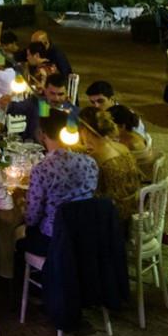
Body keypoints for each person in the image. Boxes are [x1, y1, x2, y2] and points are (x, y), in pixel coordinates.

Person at [22, 108, 99, 256]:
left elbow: (32, 218)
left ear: (42, 135)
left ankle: (10, 275)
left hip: (54, 240)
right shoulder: (90, 163)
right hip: (86, 236)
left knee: (18, 234)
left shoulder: (42, 169)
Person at [77, 107, 142, 219]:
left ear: (85, 131)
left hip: (113, 216)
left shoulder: (94, 160)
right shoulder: (122, 147)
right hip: (133, 208)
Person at [6, 73, 78, 145]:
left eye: (60, 94)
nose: (56, 98)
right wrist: (6, 101)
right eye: (52, 93)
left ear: (66, 93)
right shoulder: (37, 102)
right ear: (45, 90)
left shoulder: (72, 111)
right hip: (32, 149)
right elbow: (13, 108)